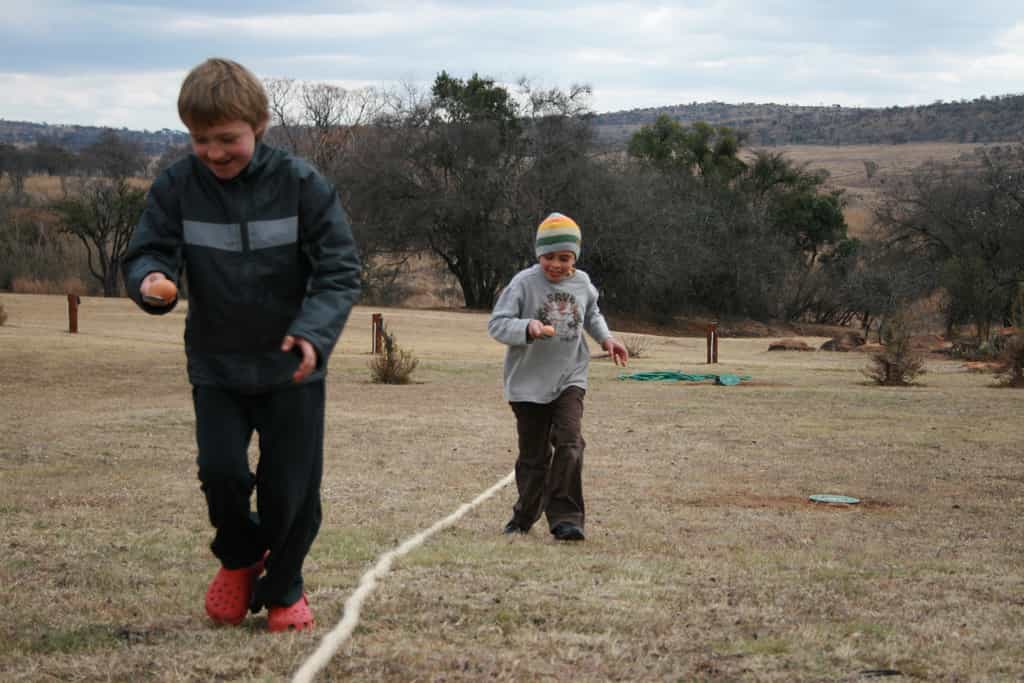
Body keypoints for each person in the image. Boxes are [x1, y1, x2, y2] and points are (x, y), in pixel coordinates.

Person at [122, 58, 361, 632]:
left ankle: (283, 590)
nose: (214, 152)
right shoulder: (177, 186)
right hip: (217, 364)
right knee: (221, 473)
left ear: (260, 124)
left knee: (290, 492)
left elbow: (340, 269)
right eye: (200, 140)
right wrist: (150, 281)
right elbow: (145, 252)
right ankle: (238, 557)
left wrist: (313, 333)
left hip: (293, 369)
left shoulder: (302, 185)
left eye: (227, 138)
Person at [488, 212, 627, 542]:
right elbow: (497, 324)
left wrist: (607, 339)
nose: (556, 265)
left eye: (564, 258)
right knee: (534, 457)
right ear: (538, 255)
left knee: (570, 441)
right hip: (527, 384)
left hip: (570, 376)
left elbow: (592, 314)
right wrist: (527, 327)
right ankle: (524, 515)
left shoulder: (582, 283)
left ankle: (566, 518)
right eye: (549, 257)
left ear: (574, 257)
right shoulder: (523, 283)